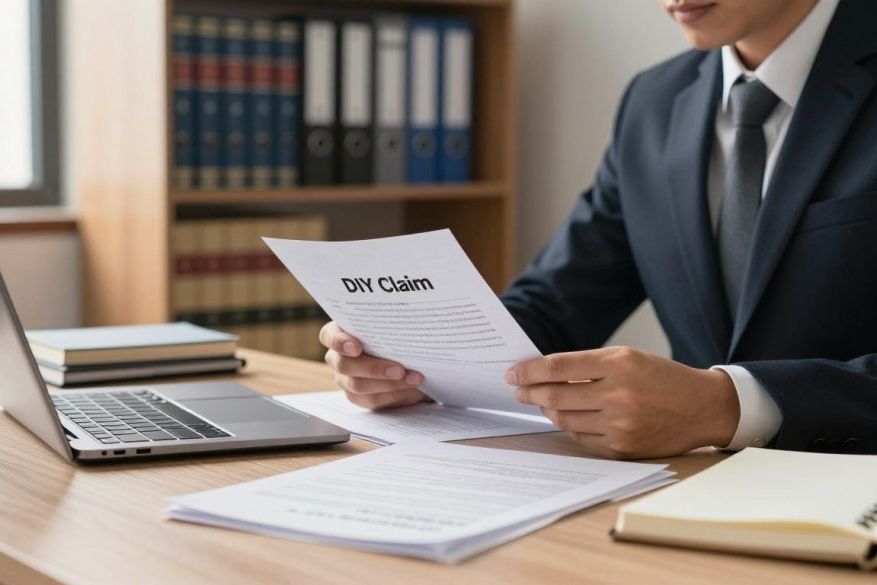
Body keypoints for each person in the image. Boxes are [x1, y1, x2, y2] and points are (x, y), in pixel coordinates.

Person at [319, 0, 877, 459]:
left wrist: (725, 405)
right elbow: (557, 304)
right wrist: (415, 361)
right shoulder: (654, 102)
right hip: (689, 496)